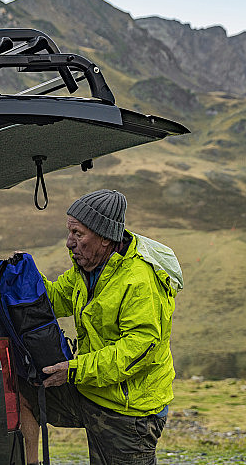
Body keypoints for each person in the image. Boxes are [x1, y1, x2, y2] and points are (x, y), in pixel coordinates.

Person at [19, 189, 177, 465]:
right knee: (21, 394)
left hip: (128, 411)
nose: (69, 243)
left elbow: (137, 350)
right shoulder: (87, 270)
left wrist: (74, 370)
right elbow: (54, 301)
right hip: (91, 389)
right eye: (70, 233)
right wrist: (24, 273)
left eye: (78, 234)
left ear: (105, 237)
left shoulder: (139, 280)